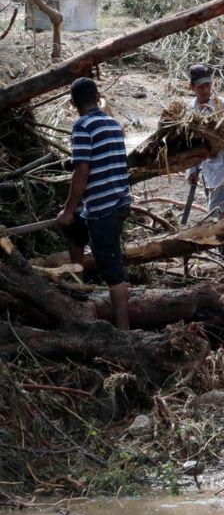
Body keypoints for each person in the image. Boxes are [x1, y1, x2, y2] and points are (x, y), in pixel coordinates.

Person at [57, 77, 133, 330]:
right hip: (117, 200)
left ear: (72, 103)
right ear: (98, 96)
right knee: (75, 228)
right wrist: (72, 213)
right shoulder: (112, 124)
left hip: (105, 208)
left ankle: (124, 333)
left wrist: (68, 209)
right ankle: (77, 286)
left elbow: (82, 171)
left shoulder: (82, 126)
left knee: (111, 269)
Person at [185, 63, 224, 256]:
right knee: (223, 213)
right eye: (201, 86)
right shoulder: (191, 109)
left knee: (216, 214)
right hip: (207, 170)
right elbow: (191, 144)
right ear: (191, 87)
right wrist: (192, 170)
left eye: (208, 85)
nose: (205, 90)